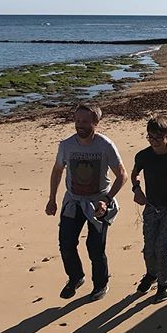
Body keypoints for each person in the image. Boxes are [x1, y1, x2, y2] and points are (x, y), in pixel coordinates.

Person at [45, 103, 128, 301]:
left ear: (96, 123)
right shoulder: (66, 145)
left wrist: (106, 200)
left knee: (95, 247)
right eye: (77, 120)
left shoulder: (105, 145)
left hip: (99, 204)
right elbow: (57, 171)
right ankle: (76, 277)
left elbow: (122, 175)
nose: (79, 125)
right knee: (66, 243)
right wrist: (52, 199)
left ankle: (101, 284)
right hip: (73, 202)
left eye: (85, 121)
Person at [130, 115, 167, 303]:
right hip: (151, 207)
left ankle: (164, 284)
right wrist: (136, 190)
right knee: (149, 248)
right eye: (150, 137)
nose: (154, 141)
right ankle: (151, 274)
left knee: (162, 248)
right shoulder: (143, 156)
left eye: (158, 137)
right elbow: (135, 174)